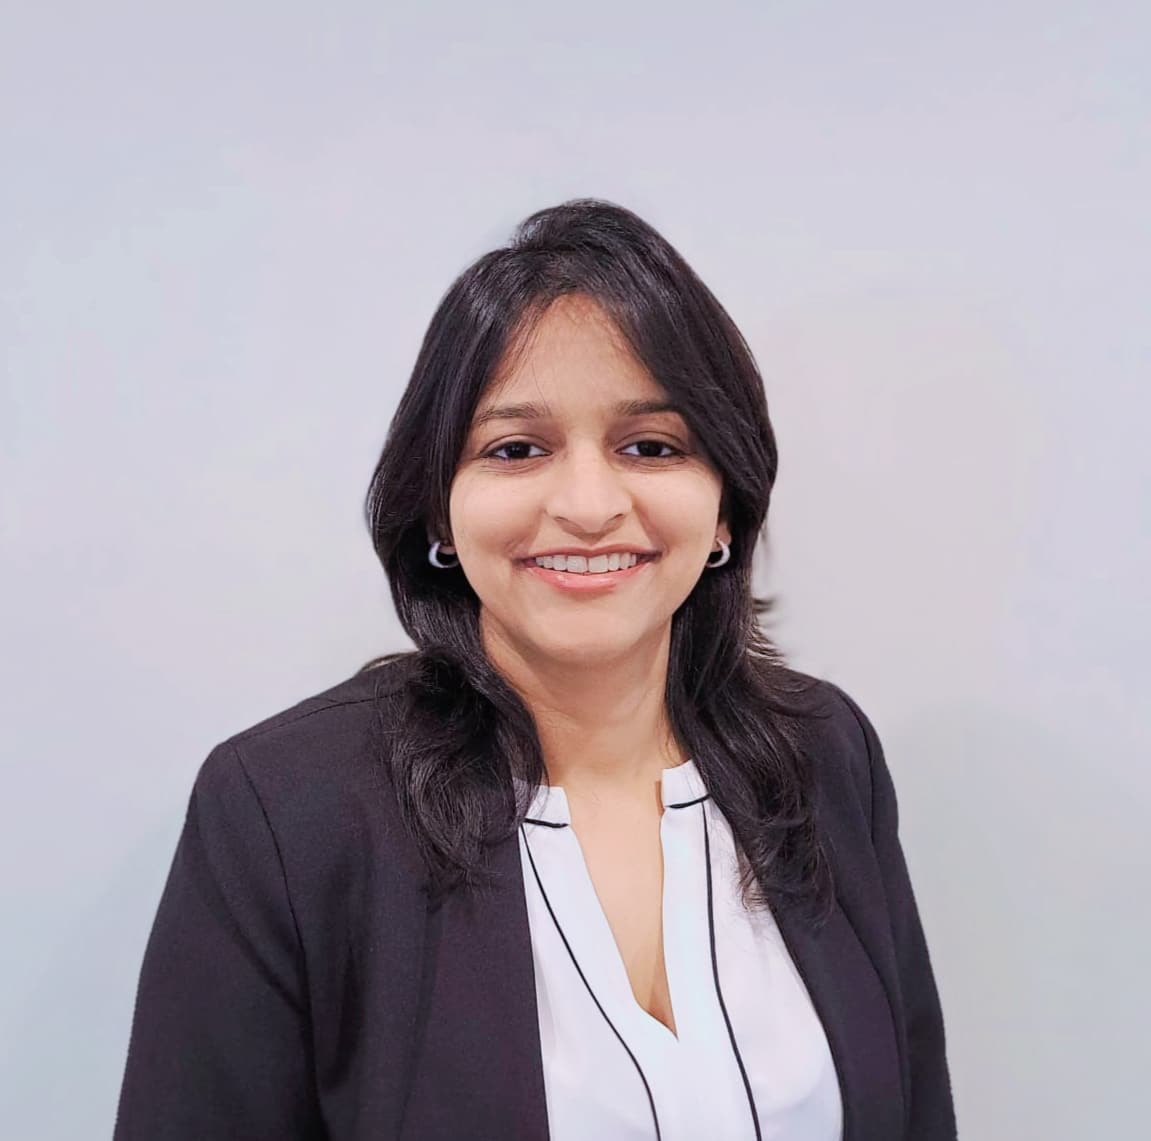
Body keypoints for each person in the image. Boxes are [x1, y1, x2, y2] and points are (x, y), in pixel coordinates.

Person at [113, 199, 957, 1140]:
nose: (590, 504)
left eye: (652, 446)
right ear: (438, 509)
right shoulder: (287, 809)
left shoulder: (823, 753)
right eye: (517, 449)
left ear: (726, 506)